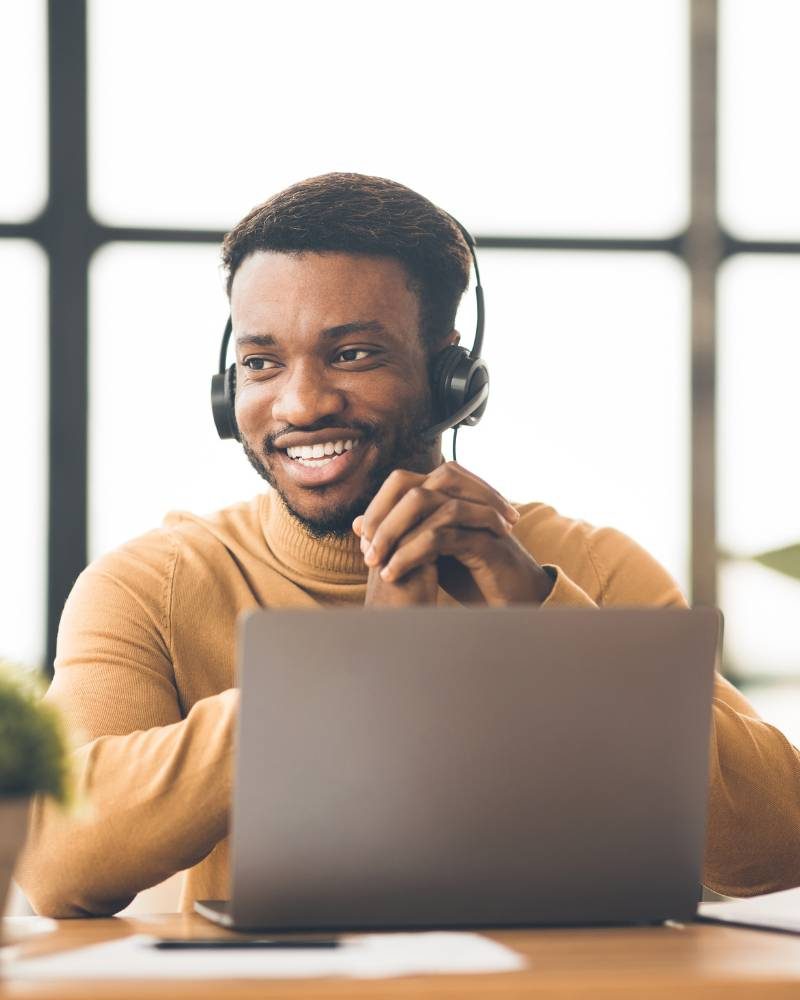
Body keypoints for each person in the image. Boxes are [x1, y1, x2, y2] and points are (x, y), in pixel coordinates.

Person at [17, 173, 800, 917]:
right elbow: (56, 865)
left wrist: (541, 615)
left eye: (353, 354)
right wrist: (356, 670)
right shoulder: (151, 585)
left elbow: (772, 849)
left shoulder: (588, 567)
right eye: (260, 363)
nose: (301, 402)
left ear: (452, 373)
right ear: (229, 394)